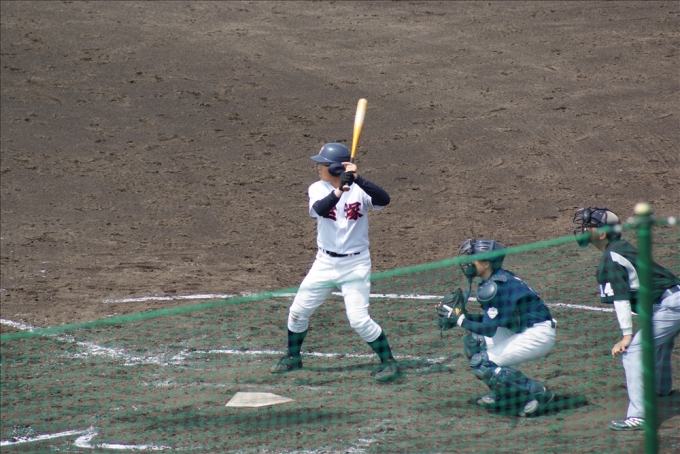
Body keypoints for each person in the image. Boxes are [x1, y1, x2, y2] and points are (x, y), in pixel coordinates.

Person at [271, 142, 399, 382]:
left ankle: (389, 362)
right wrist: (340, 189)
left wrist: (359, 180)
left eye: (323, 165)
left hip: (355, 264)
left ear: (336, 168)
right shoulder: (317, 188)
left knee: (358, 320)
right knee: (298, 312)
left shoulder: (360, 189)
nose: (318, 168)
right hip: (324, 263)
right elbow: (320, 209)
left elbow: (385, 199)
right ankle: (293, 357)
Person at [573, 207, 680, 431]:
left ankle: (638, 416)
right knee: (659, 342)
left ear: (601, 234)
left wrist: (626, 336)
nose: (582, 230)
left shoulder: (611, 258)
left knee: (634, 352)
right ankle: (661, 389)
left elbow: (620, 299)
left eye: (587, 227)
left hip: (671, 305)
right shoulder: (620, 248)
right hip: (672, 301)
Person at [437, 239, 557, 416]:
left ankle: (537, 393)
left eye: (473, 258)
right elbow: (493, 321)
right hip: (520, 328)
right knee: (473, 342)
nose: (469, 263)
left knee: (483, 363)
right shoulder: (494, 280)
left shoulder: (496, 286)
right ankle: (506, 395)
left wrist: (460, 320)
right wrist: (463, 317)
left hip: (538, 333)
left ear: (486, 263)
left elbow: (490, 329)